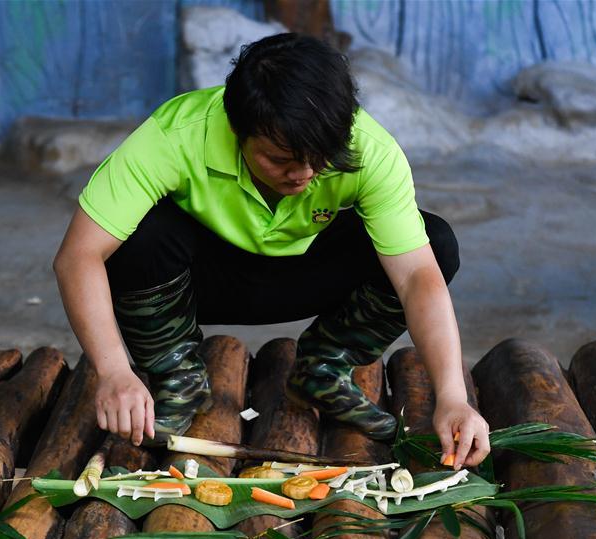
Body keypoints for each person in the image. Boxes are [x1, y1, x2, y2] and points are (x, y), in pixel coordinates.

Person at [53, 33, 490, 470]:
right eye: (279, 158)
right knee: (135, 236)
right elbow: (78, 257)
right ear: (237, 129)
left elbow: (417, 278)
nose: (302, 173)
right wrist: (113, 372)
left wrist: (452, 396)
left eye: (320, 157)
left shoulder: (368, 149)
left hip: (307, 276)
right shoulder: (175, 135)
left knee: (435, 243)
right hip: (199, 283)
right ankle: (177, 376)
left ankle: (323, 369)